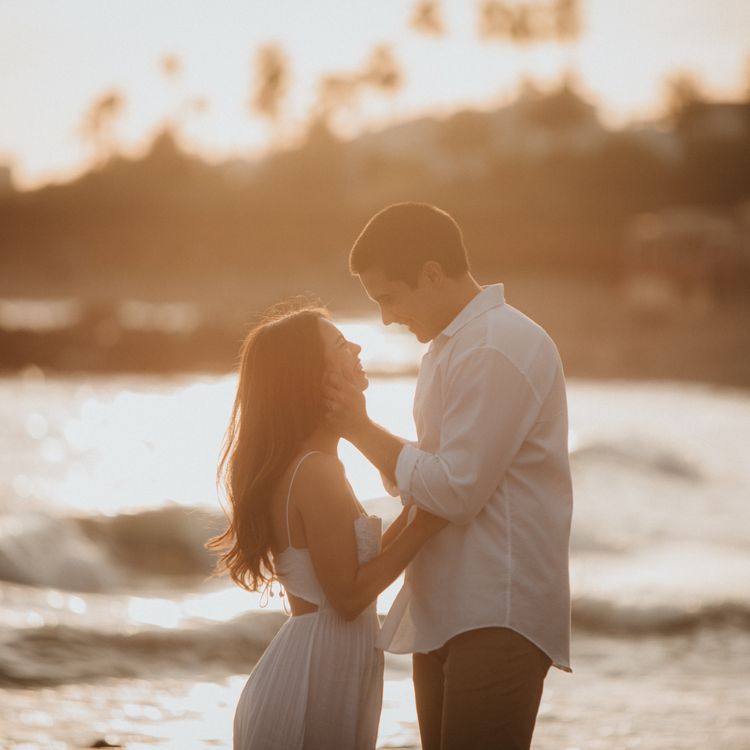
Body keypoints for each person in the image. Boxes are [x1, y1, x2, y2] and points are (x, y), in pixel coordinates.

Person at [325, 203, 573, 750]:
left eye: (390, 297)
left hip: (494, 612)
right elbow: (443, 471)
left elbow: (456, 490)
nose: (387, 317)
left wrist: (358, 429)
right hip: (447, 609)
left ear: (433, 274)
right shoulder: (454, 345)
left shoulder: (495, 345)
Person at [206, 305, 446, 750]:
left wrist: (421, 509)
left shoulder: (316, 463)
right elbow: (349, 596)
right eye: (340, 345)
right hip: (314, 674)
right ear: (313, 377)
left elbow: (358, 567)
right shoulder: (316, 471)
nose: (356, 347)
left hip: (323, 662)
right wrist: (426, 526)